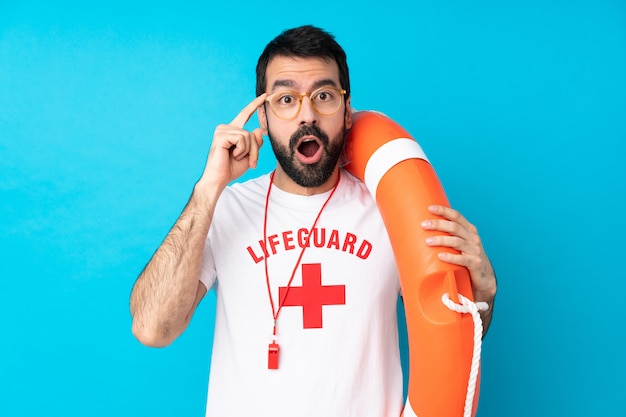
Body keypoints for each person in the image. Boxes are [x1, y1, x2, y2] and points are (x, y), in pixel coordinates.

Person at [130, 25, 497, 417]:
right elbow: (153, 329)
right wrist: (209, 187)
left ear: (347, 108)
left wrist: (484, 295)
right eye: (286, 99)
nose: (307, 116)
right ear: (264, 118)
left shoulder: (391, 214)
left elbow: (448, 337)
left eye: (323, 96)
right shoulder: (225, 209)